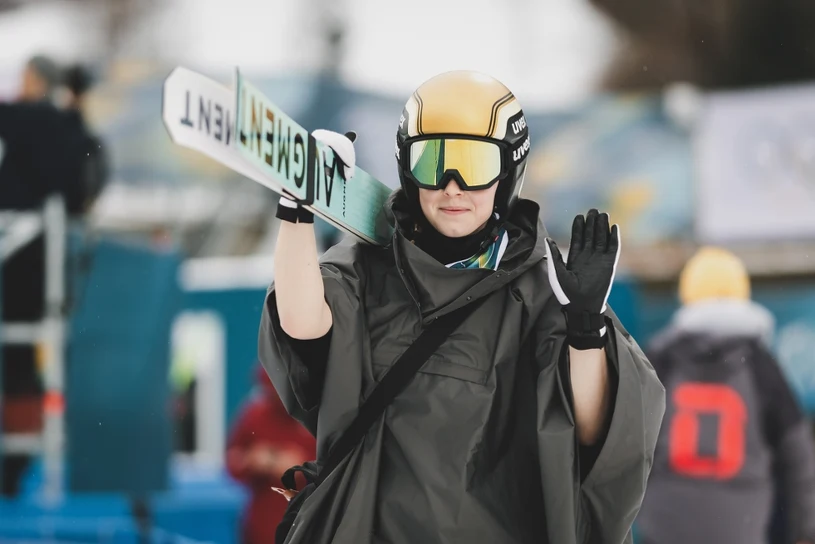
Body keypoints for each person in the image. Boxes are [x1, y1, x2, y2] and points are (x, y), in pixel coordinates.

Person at [259, 70, 665, 544]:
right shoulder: (368, 270)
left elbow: (595, 437)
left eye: (473, 164)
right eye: (432, 161)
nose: (452, 186)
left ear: (509, 170)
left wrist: (585, 327)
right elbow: (304, 328)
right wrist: (296, 211)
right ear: (407, 169)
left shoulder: (545, 290)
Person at [636, 247, 815, 544]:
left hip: (667, 525)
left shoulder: (661, 359)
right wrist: (805, 531)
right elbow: (797, 455)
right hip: (739, 529)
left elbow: (627, 443)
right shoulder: (761, 366)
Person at [227, 365, 316, 544]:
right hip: (262, 521)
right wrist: (251, 460)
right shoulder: (255, 414)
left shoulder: (318, 417)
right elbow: (232, 460)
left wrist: (301, 465)